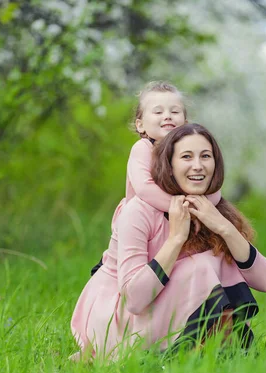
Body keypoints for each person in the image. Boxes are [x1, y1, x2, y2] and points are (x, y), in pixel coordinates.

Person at [70, 124, 266, 361]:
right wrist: (176, 238)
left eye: (205, 156)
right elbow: (135, 300)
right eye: (186, 157)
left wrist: (223, 227)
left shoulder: (212, 209)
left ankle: (219, 351)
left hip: (167, 309)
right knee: (203, 265)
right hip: (121, 322)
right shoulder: (139, 211)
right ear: (169, 165)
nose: (198, 165)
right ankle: (176, 355)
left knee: (218, 258)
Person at [89, 81, 221, 276]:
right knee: (131, 273)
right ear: (140, 125)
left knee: (176, 268)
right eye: (158, 112)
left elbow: (213, 185)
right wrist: (184, 209)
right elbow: (144, 188)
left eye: (174, 111)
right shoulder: (143, 149)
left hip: (172, 224)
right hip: (141, 227)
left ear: (184, 123)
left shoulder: (188, 152)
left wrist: (203, 208)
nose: (167, 115)